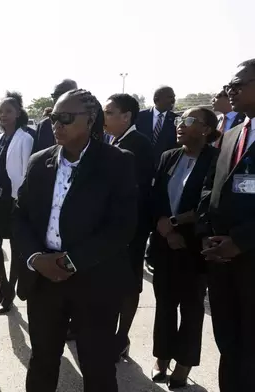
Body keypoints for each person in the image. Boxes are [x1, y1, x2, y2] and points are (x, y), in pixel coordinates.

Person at [14, 89, 137, 392]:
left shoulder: (116, 163)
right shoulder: (38, 162)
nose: (57, 124)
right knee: (42, 359)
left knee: (97, 366)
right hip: (44, 280)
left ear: (90, 119)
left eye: (66, 118)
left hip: (94, 281)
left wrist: (71, 261)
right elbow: (19, 216)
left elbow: (122, 227)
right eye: (53, 117)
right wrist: (35, 259)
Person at [150, 107, 219, 389]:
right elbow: (155, 196)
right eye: (180, 120)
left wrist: (176, 224)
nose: (181, 124)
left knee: (191, 308)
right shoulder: (169, 156)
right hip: (165, 244)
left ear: (205, 129)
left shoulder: (216, 159)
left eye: (189, 121)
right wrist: (164, 228)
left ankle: (185, 361)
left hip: (194, 246)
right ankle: (162, 357)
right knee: (165, 305)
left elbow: (211, 202)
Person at [197, 58, 255, 392]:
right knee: (229, 345)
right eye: (227, 86)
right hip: (221, 262)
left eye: (237, 85)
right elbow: (211, 186)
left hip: (250, 258)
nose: (228, 91)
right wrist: (206, 231)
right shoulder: (231, 135)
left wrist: (241, 241)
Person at [103, 93, 154, 360]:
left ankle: (121, 338)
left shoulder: (138, 145)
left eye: (109, 113)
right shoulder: (114, 141)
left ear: (127, 116)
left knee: (129, 285)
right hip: (115, 231)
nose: (104, 117)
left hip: (131, 231)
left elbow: (138, 193)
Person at [0, 91, 33, 314]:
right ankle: (4, 286)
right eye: (1, 111)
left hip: (14, 201)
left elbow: (26, 172)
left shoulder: (24, 139)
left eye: (9, 111)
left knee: (15, 249)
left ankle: (11, 289)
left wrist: (22, 201)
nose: (3, 115)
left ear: (18, 113)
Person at [27, 79, 78, 153]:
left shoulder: (84, 124)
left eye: (62, 94)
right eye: (55, 95)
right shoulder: (44, 126)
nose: (58, 99)